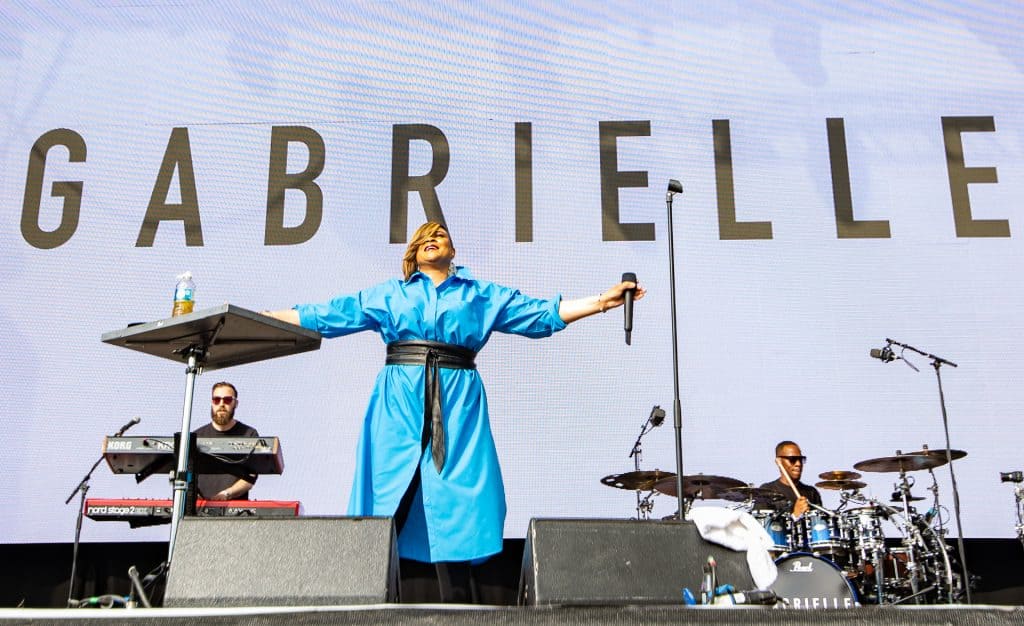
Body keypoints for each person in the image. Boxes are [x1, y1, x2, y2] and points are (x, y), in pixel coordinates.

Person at [262, 221, 644, 602]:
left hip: (456, 403)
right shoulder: (391, 294)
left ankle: (458, 608)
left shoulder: (479, 294)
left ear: (453, 252)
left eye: (440, 235)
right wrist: (266, 318)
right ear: (413, 253)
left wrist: (602, 302)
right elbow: (330, 314)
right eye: (425, 237)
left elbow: (541, 314)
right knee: (387, 497)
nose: (433, 239)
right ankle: (371, 604)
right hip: (399, 403)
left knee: (457, 502)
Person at [192, 381, 258, 501]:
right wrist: (194, 497)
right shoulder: (196, 436)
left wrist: (227, 494)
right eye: (217, 400)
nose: (221, 404)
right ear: (212, 402)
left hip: (234, 507)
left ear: (235, 403)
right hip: (198, 507)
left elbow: (250, 477)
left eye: (227, 400)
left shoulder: (249, 434)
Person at [759, 440, 822, 518]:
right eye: (792, 459)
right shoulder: (767, 491)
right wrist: (795, 516)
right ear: (779, 461)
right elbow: (762, 524)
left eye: (800, 459)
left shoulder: (812, 492)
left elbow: (820, 523)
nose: (798, 464)